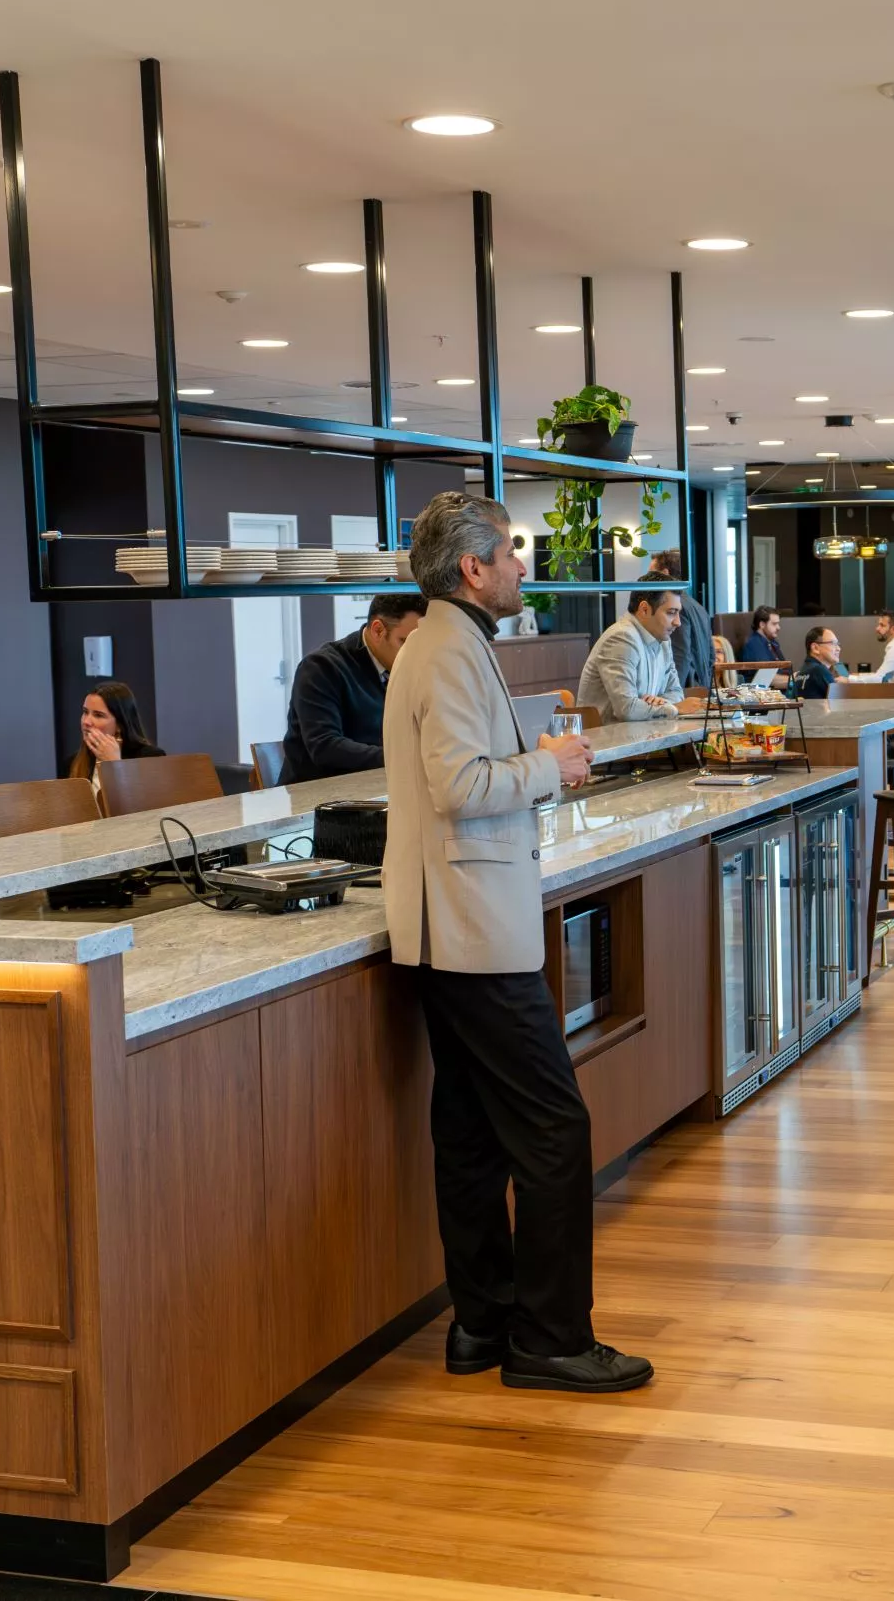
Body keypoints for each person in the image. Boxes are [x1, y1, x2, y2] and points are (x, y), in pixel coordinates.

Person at [383, 488, 651, 1394]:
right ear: (473, 567)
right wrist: (553, 764)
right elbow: (461, 783)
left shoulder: (439, 644)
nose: (520, 566)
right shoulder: (447, 650)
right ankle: (548, 1337)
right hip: (471, 927)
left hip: (446, 923)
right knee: (553, 1129)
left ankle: (482, 1321)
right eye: (511, 552)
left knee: (468, 1132)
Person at [279, 595, 427, 783]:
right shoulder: (321, 668)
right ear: (378, 630)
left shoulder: (408, 668)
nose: (415, 654)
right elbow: (325, 747)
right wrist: (403, 758)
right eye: (405, 643)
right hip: (316, 800)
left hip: (378, 788)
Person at [577, 591, 708, 724]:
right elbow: (627, 709)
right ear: (644, 610)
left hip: (642, 736)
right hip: (604, 741)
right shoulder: (621, 638)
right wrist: (673, 708)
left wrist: (659, 704)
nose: (678, 622)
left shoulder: (664, 641)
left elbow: (676, 693)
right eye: (671, 612)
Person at [65, 681, 165, 785]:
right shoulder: (71, 762)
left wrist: (115, 765)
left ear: (119, 725)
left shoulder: (151, 757)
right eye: (85, 712)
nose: (86, 722)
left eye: (98, 715)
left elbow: (145, 800)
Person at [643, 550, 713, 691]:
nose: (646, 579)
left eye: (651, 574)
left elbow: (680, 655)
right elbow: (711, 656)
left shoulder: (674, 609)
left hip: (686, 692)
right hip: (701, 688)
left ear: (665, 573)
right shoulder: (697, 606)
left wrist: (673, 696)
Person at [796, 626, 843, 697]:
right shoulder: (818, 670)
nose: (838, 648)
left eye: (838, 644)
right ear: (815, 648)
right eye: (833, 643)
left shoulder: (805, 669)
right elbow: (840, 701)